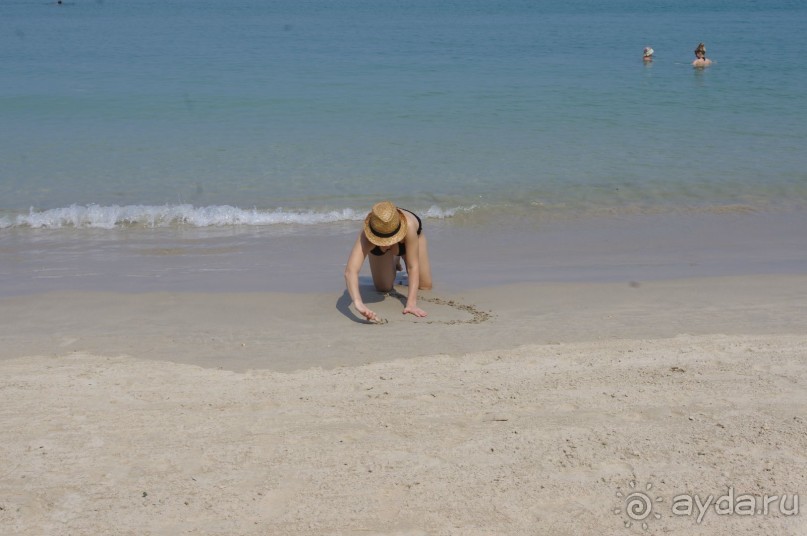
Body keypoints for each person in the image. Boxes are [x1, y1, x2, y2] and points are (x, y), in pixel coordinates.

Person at [344, 201, 432, 321]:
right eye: (380, 241)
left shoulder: (409, 226)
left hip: (410, 241)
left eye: (389, 241)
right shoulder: (367, 234)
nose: (385, 245)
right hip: (385, 242)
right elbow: (350, 271)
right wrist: (358, 303)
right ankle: (394, 259)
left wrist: (411, 304)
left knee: (425, 285)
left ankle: (398, 256)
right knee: (383, 287)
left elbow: (412, 267)